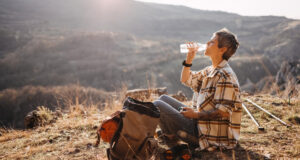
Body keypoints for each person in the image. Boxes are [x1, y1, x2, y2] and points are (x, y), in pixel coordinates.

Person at [153, 28, 242, 151]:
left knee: (157, 104)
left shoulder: (225, 76)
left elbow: (224, 112)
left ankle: (170, 136)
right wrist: (189, 59)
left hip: (208, 135)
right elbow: (185, 79)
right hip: (200, 123)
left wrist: (195, 114)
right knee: (163, 98)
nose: (206, 44)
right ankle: (170, 136)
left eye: (211, 42)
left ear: (222, 49)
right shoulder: (211, 70)